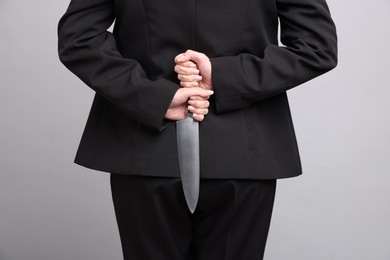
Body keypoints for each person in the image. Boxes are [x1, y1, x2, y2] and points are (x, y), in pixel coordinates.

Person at [57, 0, 337, 258]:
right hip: (242, 149)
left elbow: (79, 40)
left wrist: (154, 97)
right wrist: (224, 76)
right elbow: (317, 47)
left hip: (144, 147)